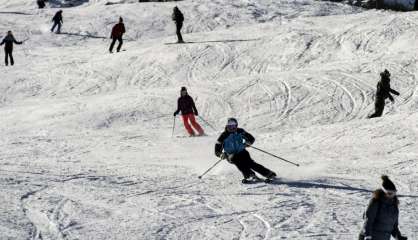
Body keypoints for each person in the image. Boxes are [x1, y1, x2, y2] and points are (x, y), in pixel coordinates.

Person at [214, 118, 276, 183]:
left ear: (236, 125)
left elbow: (251, 138)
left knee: (251, 163)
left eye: (234, 126)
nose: (232, 128)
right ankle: (249, 175)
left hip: (242, 152)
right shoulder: (223, 136)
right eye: (230, 126)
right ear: (227, 126)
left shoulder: (240, 131)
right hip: (230, 155)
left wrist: (248, 142)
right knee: (238, 161)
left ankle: (268, 174)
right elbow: (217, 150)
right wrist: (221, 154)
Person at [359, 175, 407, 240]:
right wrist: (367, 236)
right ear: (383, 192)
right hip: (371, 237)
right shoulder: (376, 202)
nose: (392, 196)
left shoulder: (394, 205)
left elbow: (393, 226)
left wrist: (398, 236)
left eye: (394, 193)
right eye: (389, 193)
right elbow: (368, 221)